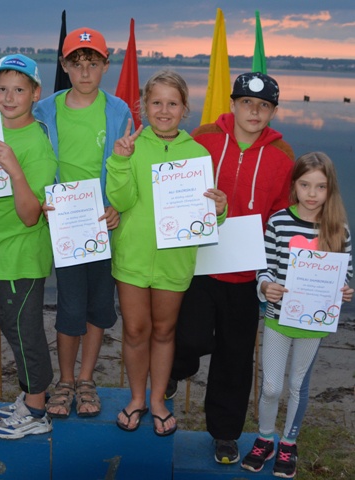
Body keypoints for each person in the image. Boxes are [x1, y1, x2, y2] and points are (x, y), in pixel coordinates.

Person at [169, 72, 296, 462]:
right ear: (233, 104)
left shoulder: (282, 155)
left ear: (273, 111)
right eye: (246, 103)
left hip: (248, 272)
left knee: (236, 355)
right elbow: (176, 183)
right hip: (201, 261)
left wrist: (280, 266)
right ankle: (177, 368)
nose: (254, 111)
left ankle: (225, 433)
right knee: (189, 337)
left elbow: (281, 214)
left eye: (263, 106)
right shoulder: (204, 138)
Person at [106, 70, 228, 436]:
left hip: (175, 261)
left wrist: (219, 209)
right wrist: (119, 160)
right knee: (134, 330)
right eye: (156, 102)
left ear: (184, 108)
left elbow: (205, 216)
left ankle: (158, 399)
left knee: (164, 331)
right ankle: (137, 398)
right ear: (144, 105)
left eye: (172, 103)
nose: (163, 110)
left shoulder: (198, 154)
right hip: (132, 257)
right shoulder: (130, 146)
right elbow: (121, 200)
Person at [33, 27, 132, 418]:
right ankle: (65, 380)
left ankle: (87, 378)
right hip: (64, 224)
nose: (85, 72)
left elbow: (127, 167)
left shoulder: (119, 111)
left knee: (98, 305)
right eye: (76, 63)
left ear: (106, 65)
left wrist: (117, 206)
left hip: (103, 223)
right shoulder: (44, 111)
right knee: (70, 306)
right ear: (64, 65)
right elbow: (21, 148)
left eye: (93, 63)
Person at [240, 152, 353, 478]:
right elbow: (264, 267)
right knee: (271, 386)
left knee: (297, 385)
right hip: (278, 317)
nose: (312, 193)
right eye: (305, 185)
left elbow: (343, 274)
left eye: (320, 186)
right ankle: (265, 438)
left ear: (330, 189)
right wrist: (266, 286)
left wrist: (344, 290)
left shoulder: (339, 229)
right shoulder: (278, 222)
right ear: (294, 185)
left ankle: (289, 442)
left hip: (314, 322)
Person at [0, 54, 58, 439]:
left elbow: (30, 215)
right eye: (2, 88)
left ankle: (37, 409)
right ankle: (29, 395)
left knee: (24, 331)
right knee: (10, 325)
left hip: (19, 252)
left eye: (19, 89)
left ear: (35, 94)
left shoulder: (36, 143)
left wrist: (15, 170)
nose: (8, 97)